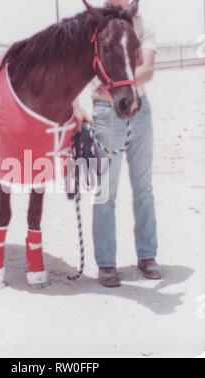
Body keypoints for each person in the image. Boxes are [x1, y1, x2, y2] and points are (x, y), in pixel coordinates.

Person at [73, 0, 161, 287]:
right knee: (106, 191)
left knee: (143, 187)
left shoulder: (142, 23)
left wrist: (117, 82)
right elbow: (73, 69)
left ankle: (147, 256)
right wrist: (75, 105)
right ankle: (107, 263)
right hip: (105, 112)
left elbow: (147, 68)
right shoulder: (94, 24)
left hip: (140, 108)